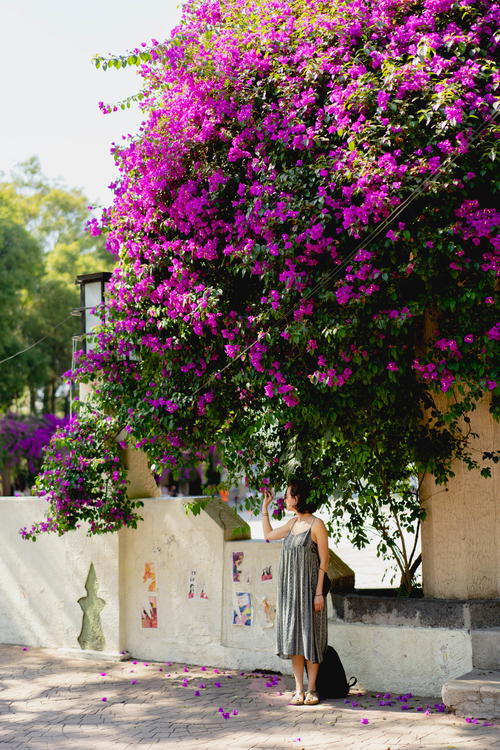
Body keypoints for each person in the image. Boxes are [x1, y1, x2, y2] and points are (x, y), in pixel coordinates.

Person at [262, 478, 329, 706]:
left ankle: (312, 689)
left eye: (288, 495)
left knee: (311, 639)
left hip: (310, 592)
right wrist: (265, 508)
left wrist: (318, 593)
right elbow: (269, 535)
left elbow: (324, 562)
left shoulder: (316, 525)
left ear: (298, 498)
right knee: (294, 639)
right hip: (291, 593)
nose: (285, 498)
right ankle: (298, 689)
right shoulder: (292, 524)